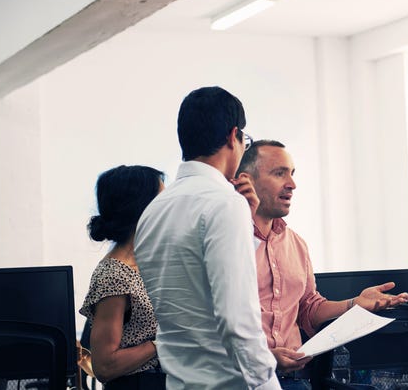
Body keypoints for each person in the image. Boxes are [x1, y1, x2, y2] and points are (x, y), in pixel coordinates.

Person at [134, 86, 282, 390]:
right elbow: (237, 322)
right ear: (233, 136)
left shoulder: (153, 211)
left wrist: (246, 225)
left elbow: (192, 290)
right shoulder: (224, 204)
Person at [234, 140, 408, 388]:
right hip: (244, 379)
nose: (292, 184)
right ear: (246, 181)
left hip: (295, 381)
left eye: (292, 174)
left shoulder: (296, 244)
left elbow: (308, 307)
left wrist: (354, 304)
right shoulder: (228, 242)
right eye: (279, 173)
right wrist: (263, 357)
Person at [79, 165, 166, 389]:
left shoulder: (149, 264)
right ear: (142, 207)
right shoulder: (114, 275)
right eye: (162, 200)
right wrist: (160, 343)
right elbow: (104, 366)